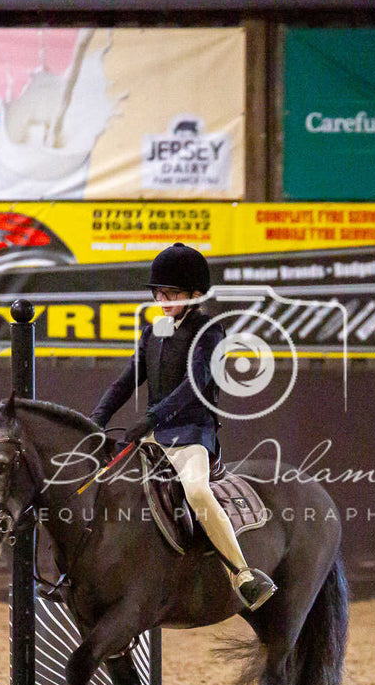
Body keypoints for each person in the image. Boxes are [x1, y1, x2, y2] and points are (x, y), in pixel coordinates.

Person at [89, 243, 277, 611]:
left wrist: (153, 416)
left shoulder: (210, 331)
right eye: (160, 293)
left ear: (195, 294)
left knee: (197, 493)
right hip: (155, 437)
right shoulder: (152, 332)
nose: (164, 299)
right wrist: (96, 420)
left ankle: (243, 575)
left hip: (192, 435)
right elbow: (126, 382)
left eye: (172, 293)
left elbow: (196, 384)